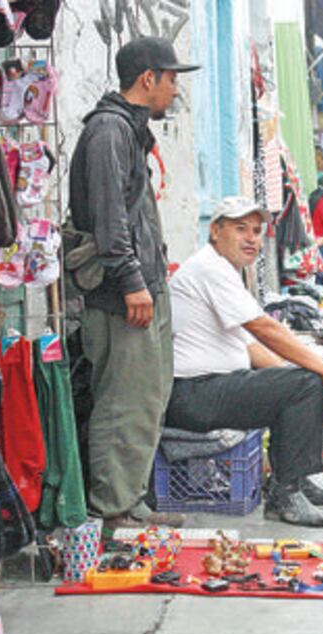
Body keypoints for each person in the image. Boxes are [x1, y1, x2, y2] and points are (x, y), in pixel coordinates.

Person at [68, 36, 199, 531]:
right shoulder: (108, 130)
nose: (175, 90)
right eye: (171, 79)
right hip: (122, 294)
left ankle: (130, 501)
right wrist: (131, 282)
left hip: (144, 284)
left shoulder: (128, 128)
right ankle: (111, 511)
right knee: (123, 400)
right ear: (149, 78)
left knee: (146, 396)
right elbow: (110, 218)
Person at [165, 196, 323, 527]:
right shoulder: (209, 268)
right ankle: (285, 494)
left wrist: (297, 380)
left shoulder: (224, 271)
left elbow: (250, 346)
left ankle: (291, 478)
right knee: (305, 383)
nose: (251, 239)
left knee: (299, 383)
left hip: (208, 388)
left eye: (256, 231)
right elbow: (264, 329)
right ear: (215, 231)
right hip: (193, 393)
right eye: (240, 229)